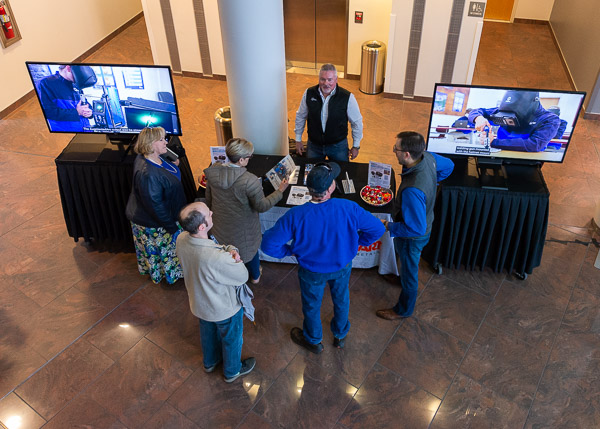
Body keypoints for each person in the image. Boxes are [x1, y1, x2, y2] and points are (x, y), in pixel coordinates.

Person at [261, 162, 385, 353]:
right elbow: (377, 229)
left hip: (311, 271)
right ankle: (340, 335)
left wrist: (289, 251)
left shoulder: (296, 214)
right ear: (330, 189)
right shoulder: (349, 207)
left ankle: (313, 339)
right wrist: (356, 242)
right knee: (342, 300)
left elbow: (268, 244)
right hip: (342, 267)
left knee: (311, 305)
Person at [376, 132, 454, 321]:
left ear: (407, 154)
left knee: (411, 274)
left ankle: (403, 310)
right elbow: (449, 166)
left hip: (413, 238)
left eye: (397, 149)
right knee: (404, 261)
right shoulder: (428, 157)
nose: (394, 151)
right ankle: (400, 279)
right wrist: (433, 183)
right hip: (424, 220)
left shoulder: (412, 190)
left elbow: (415, 229)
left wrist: (388, 226)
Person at [176, 202, 256, 383]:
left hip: (199, 304)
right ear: (202, 226)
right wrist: (233, 252)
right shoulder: (215, 258)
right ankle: (232, 371)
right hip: (224, 309)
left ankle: (210, 362)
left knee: (208, 334)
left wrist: (228, 251)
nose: (212, 212)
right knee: (232, 339)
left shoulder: (181, 238)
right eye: (208, 213)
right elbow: (242, 276)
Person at [204, 138, 289, 284]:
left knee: (225, 254)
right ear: (242, 160)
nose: (250, 159)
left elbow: (209, 200)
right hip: (244, 229)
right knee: (250, 251)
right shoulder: (250, 180)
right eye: (250, 157)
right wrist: (280, 191)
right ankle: (255, 277)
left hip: (219, 226)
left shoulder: (213, 174)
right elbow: (262, 206)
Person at [125, 126, 187, 284]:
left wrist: (172, 161)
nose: (165, 142)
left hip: (166, 213)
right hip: (156, 224)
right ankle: (170, 275)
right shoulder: (149, 176)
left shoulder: (148, 156)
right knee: (167, 251)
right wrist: (173, 229)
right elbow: (156, 208)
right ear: (151, 145)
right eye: (161, 140)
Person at [294, 63, 363, 162]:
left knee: (341, 174)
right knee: (313, 175)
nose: (326, 83)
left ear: (336, 79)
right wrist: (298, 139)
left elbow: (356, 122)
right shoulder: (309, 93)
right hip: (314, 146)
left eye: (330, 79)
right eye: (322, 79)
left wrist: (356, 146)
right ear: (318, 79)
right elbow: (300, 116)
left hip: (338, 147)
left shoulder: (347, 97)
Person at [468, 90, 560, 152]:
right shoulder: (502, 111)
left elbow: (534, 144)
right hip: (499, 154)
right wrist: (478, 118)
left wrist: (494, 142)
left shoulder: (549, 119)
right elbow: (476, 111)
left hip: (528, 161)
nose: (509, 118)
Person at [38, 65, 93, 132]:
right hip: (66, 134)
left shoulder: (75, 83)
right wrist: (77, 112)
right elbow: (47, 112)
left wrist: (90, 112)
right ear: (68, 68)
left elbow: (85, 104)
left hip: (86, 130)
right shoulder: (46, 83)